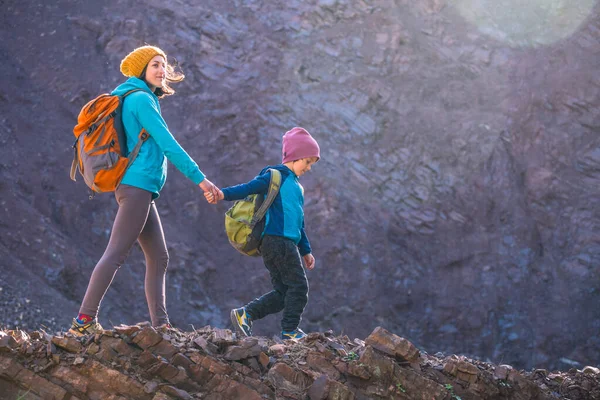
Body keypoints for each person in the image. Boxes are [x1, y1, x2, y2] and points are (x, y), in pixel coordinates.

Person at [69, 45, 219, 336]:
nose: (162, 70)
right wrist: (202, 180)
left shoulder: (133, 97)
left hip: (139, 188)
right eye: (155, 65)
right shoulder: (140, 100)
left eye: (163, 65)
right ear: (141, 70)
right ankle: (84, 321)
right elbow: (168, 143)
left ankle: (161, 325)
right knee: (115, 254)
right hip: (136, 187)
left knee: (159, 256)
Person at [205, 127, 320, 340]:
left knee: (284, 293)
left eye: (312, 164)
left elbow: (299, 223)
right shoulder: (274, 176)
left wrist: (306, 251)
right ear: (295, 157)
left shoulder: (298, 188)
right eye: (308, 162)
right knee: (299, 287)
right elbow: (248, 188)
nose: (309, 168)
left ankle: (245, 314)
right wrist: (223, 194)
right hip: (278, 242)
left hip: (284, 244)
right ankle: (290, 332)